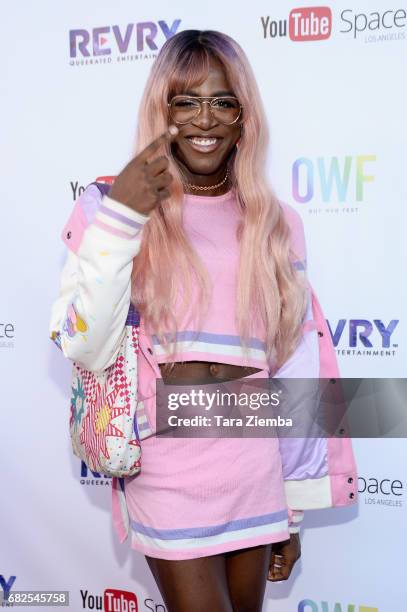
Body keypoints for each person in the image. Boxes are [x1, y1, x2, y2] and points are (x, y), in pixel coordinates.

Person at [49, 29, 358, 612]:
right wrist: (121, 221)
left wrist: (290, 511)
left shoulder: (277, 223)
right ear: (161, 110)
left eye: (223, 101)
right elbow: (83, 341)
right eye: (186, 101)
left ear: (245, 117)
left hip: (252, 461)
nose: (204, 119)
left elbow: (291, 366)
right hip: (167, 460)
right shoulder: (110, 204)